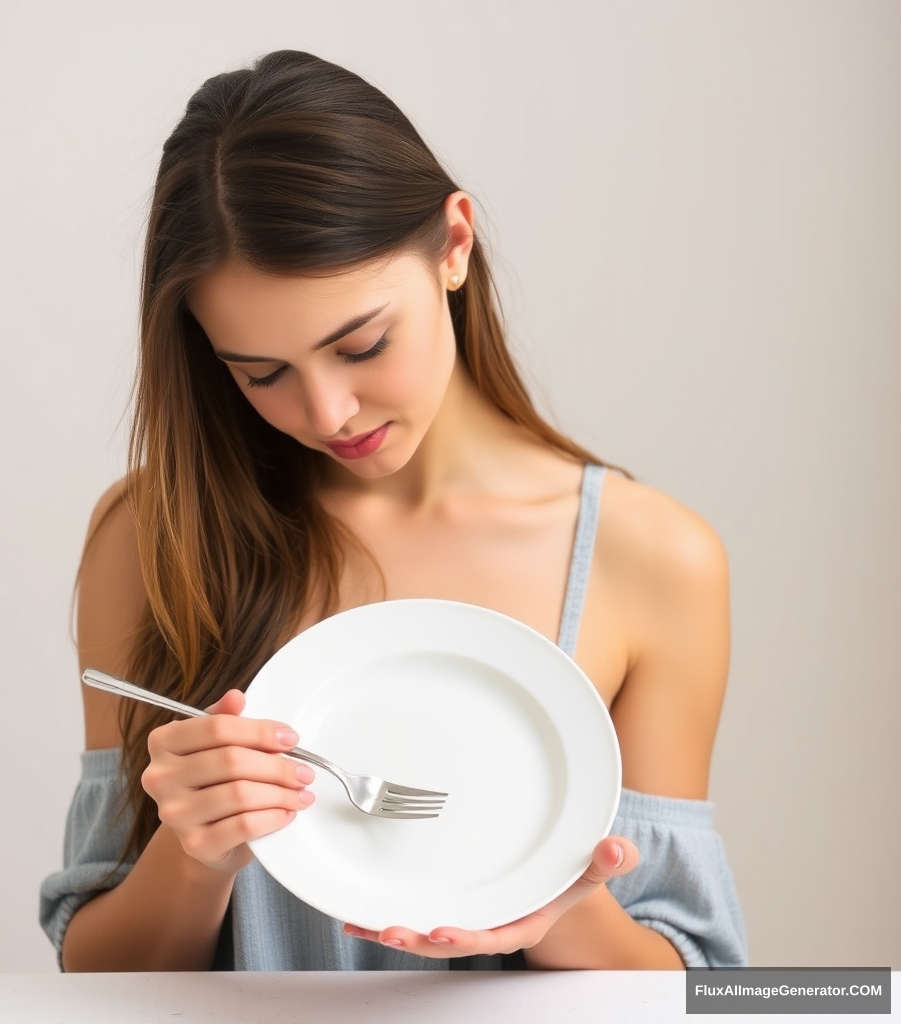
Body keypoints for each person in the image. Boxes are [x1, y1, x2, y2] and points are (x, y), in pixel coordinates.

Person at [40, 49, 747, 972]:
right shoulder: (153, 538)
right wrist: (196, 852)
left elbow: (705, 986)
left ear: (455, 246)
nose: (327, 413)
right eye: (262, 374)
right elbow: (95, 971)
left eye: (363, 344)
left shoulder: (648, 556)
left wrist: (555, 912)